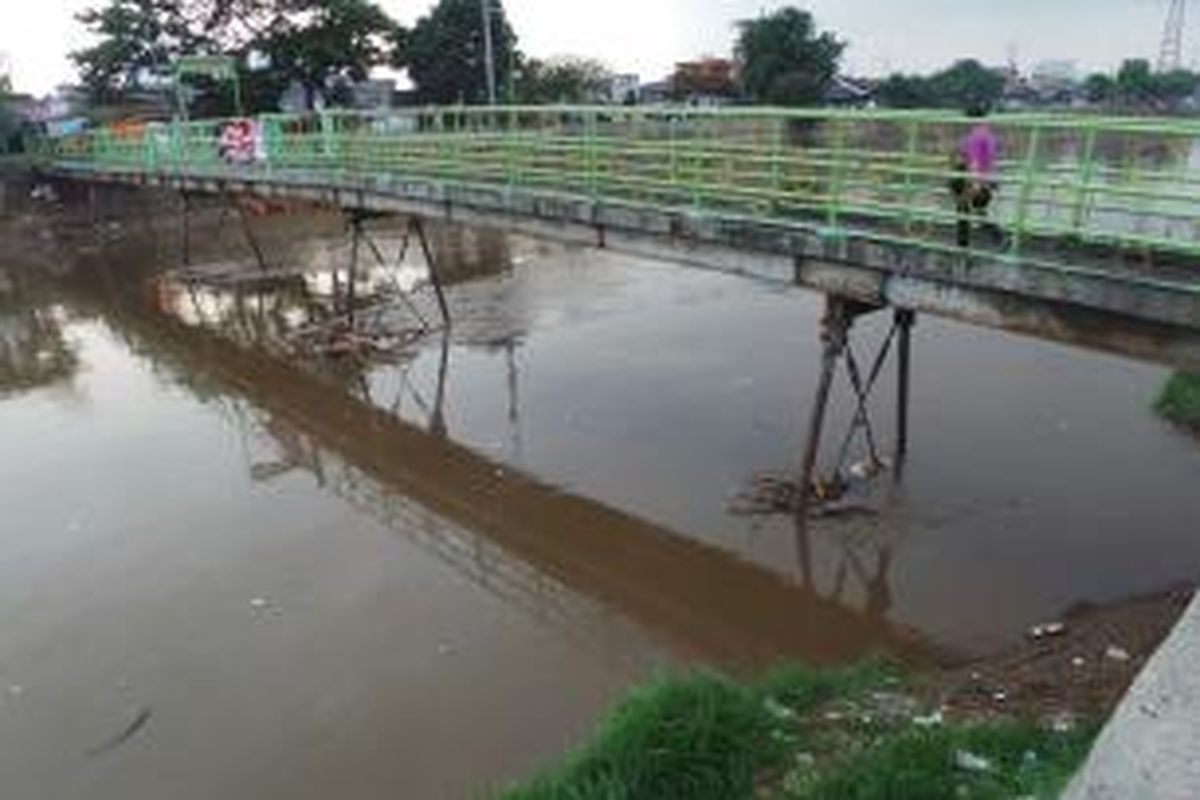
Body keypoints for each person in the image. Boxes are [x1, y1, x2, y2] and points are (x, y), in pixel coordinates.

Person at [950, 105, 1003, 248]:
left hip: (972, 179)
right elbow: (990, 159)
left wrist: (975, 184)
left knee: (964, 211)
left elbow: (974, 161)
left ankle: (963, 244)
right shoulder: (989, 134)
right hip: (985, 179)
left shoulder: (975, 136)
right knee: (977, 212)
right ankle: (997, 237)